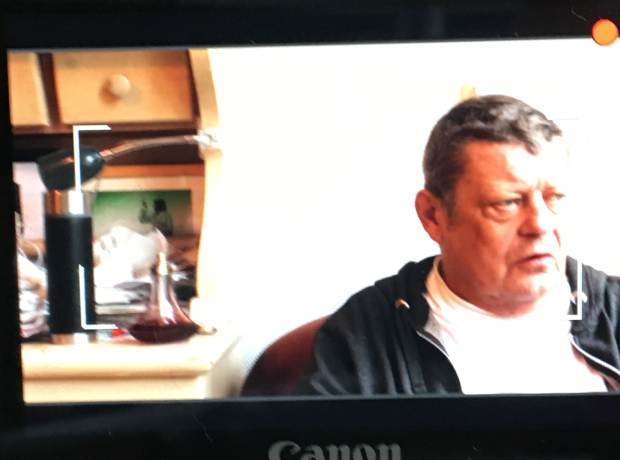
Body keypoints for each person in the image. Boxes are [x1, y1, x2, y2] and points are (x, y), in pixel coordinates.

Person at [292, 94, 620, 396]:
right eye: (507, 203)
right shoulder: (365, 335)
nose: (540, 225)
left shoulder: (614, 313)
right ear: (433, 216)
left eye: (555, 198)